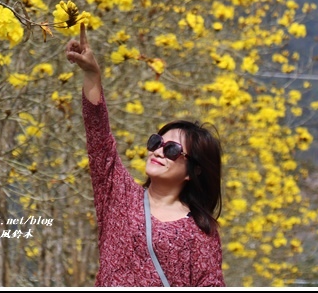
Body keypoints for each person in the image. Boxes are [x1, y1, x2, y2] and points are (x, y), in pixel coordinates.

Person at [65, 23, 225, 287]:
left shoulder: (200, 233)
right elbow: (99, 139)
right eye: (157, 142)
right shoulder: (119, 196)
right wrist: (93, 75)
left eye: (172, 150)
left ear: (193, 171)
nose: (159, 151)